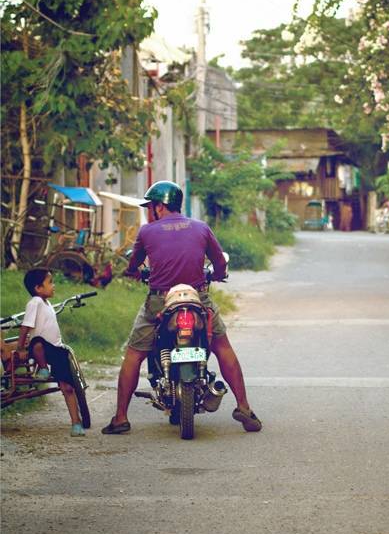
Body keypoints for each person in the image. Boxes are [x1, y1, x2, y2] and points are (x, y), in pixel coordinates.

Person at [102, 180, 262, 435]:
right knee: (222, 347)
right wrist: (217, 274)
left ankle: (120, 417)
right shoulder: (201, 227)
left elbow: (133, 266)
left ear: (158, 206)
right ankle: (244, 406)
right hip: (197, 298)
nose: (149, 211)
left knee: (134, 355)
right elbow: (220, 262)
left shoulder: (147, 232)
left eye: (150, 206)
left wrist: (135, 272)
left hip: (160, 301)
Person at [16, 269, 86, 437]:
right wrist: (20, 348)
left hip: (55, 349)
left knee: (67, 387)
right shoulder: (35, 302)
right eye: (50, 282)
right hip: (39, 348)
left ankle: (76, 423)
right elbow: (26, 326)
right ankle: (43, 368)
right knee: (38, 343)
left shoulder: (47, 304)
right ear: (38, 288)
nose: (54, 285)